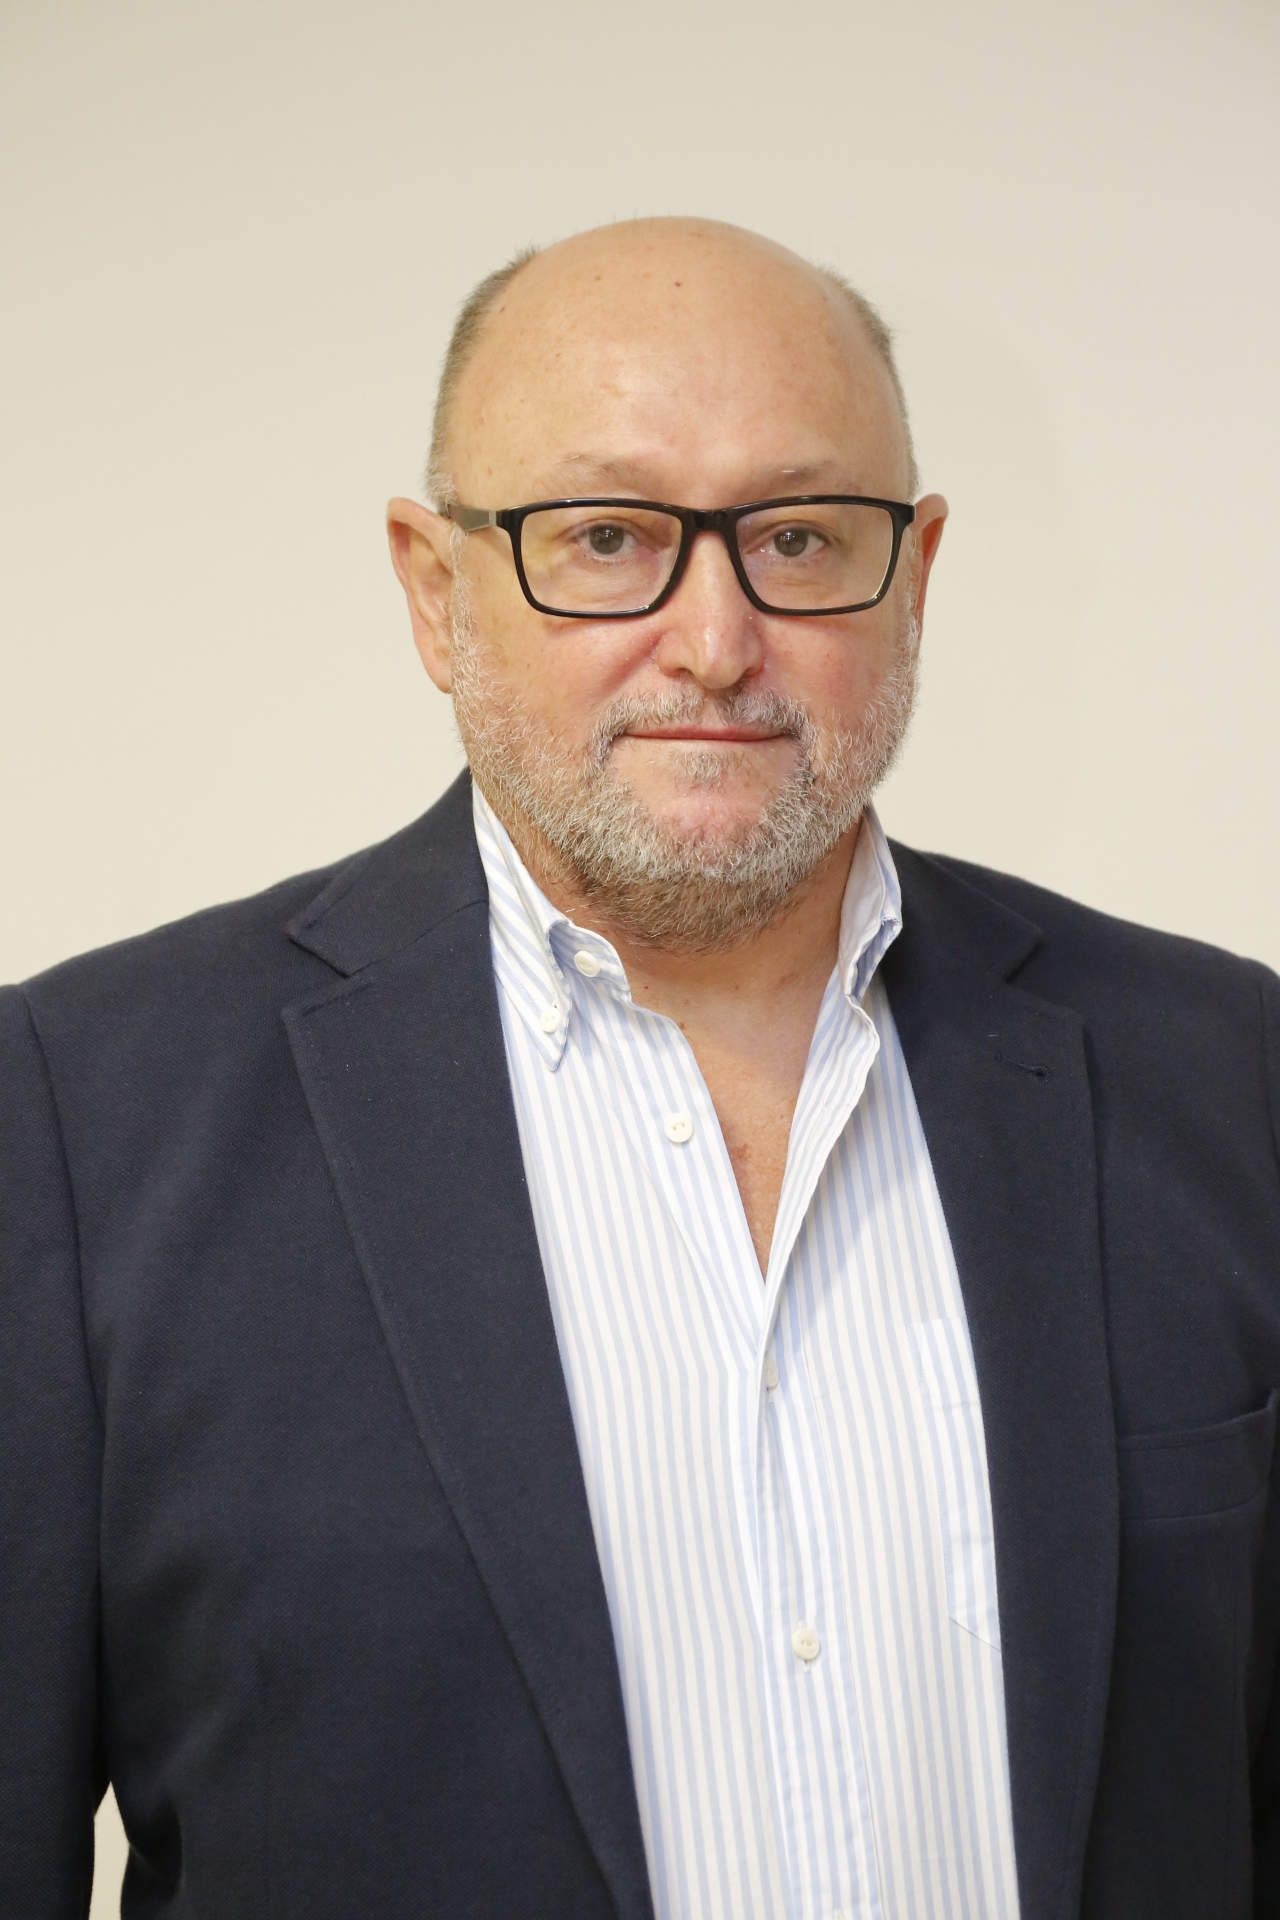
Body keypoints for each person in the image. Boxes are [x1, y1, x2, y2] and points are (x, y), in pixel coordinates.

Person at [2, 217, 1277, 1920]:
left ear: (915, 574)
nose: (715, 640)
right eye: (606, 538)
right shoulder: (80, 1120)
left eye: (799, 536)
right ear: (435, 590)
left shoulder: (1229, 1076)